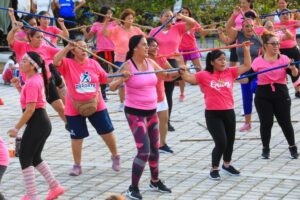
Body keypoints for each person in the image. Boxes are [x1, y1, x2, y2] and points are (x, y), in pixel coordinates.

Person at [110, 35, 177, 200]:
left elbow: (166, 76)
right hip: (135, 113)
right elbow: (111, 86)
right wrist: (122, 80)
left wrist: (179, 71)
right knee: (144, 151)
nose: (148, 48)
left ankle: (155, 181)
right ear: (135, 48)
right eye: (145, 45)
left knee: (155, 150)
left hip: (151, 111)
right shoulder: (127, 65)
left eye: (148, 45)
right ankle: (133, 188)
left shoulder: (150, 63)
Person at [179, 42, 252, 180]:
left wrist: (246, 50)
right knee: (221, 142)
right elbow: (190, 78)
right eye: (220, 59)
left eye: (224, 59)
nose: (223, 61)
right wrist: (183, 70)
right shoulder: (204, 75)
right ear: (212, 62)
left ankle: (227, 164)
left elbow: (247, 66)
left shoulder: (230, 72)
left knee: (230, 141)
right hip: (213, 114)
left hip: (229, 112)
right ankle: (214, 168)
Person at [53, 39, 121, 176]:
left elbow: (106, 79)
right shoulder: (67, 64)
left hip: (97, 104)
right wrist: (67, 47)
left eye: (86, 47)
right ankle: (77, 165)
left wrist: (121, 75)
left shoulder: (94, 63)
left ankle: (115, 156)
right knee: (76, 137)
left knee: (107, 131)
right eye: (80, 47)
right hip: (74, 106)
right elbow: (55, 61)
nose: (84, 49)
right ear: (73, 51)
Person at [8, 51, 64, 200]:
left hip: (38, 123)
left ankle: (32, 196)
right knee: (35, 157)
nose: (21, 63)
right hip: (41, 123)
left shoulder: (33, 81)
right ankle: (55, 187)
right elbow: (30, 101)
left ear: (33, 66)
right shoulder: (34, 79)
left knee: (25, 158)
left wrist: (16, 128)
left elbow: (31, 109)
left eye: (25, 61)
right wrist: (19, 87)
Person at [7, 20, 68, 130]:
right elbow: (10, 40)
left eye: (42, 37)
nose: (41, 39)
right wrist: (14, 29)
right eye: (38, 37)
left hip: (46, 82)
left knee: (60, 107)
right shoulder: (22, 47)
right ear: (30, 38)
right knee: (31, 110)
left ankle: (71, 127)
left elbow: (60, 53)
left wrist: (70, 48)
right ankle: (28, 130)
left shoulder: (46, 48)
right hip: (31, 85)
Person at [251, 31, 299, 159]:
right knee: (266, 123)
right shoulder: (257, 61)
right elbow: (247, 78)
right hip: (263, 94)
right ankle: (265, 148)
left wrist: (293, 68)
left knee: (285, 122)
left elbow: (294, 75)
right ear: (265, 45)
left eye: (278, 43)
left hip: (281, 93)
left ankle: (292, 147)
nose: (276, 46)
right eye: (273, 43)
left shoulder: (284, 59)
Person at [149, 9, 195, 132]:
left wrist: (182, 17)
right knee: (155, 91)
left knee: (168, 93)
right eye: (166, 16)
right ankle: (153, 119)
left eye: (171, 16)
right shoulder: (154, 31)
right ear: (161, 18)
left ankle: (166, 121)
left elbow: (193, 23)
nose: (168, 18)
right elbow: (147, 46)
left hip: (171, 61)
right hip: (156, 62)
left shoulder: (177, 28)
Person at [102, 8, 146, 112]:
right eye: (128, 18)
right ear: (123, 19)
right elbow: (104, 33)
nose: (130, 20)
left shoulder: (137, 30)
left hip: (135, 58)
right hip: (120, 57)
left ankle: (136, 99)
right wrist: (106, 22)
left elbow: (146, 40)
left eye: (132, 18)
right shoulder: (117, 29)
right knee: (122, 80)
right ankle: (122, 102)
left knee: (136, 78)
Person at [225, 13, 262, 132]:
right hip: (244, 70)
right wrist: (234, 15)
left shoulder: (258, 37)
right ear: (242, 27)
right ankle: (247, 123)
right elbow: (228, 27)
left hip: (257, 70)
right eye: (247, 26)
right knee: (246, 97)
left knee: (254, 88)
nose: (250, 28)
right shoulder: (238, 35)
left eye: (251, 26)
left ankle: (266, 113)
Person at [147, 37, 179, 153]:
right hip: (147, 97)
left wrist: (180, 68)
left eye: (157, 46)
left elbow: (171, 72)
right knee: (150, 123)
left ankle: (162, 144)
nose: (156, 48)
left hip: (161, 95)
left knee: (164, 121)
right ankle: (149, 145)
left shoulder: (160, 58)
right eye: (153, 46)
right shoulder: (142, 61)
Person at [82, 6, 118, 101]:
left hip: (115, 51)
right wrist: (84, 31)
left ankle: (119, 89)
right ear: (102, 14)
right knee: (103, 73)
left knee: (118, 70)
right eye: (107, 13)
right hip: (101, 51)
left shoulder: (114, 23)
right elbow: (88, 38)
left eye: (110, 13)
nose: (109, 15)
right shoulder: (96, 24)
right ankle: (103, 93)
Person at [177, 7, 213, 102]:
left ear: (189, 14)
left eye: (186, 12)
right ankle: (182, 93)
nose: (184, 14)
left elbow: (203, 33)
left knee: (199, 69)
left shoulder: (193, 22)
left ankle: (205, 89)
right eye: (183, 12)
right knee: (181, 71)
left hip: (192, 48)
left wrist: (211, 29)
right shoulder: (176, 24)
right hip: (181, 50)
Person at [275, 9, 300, 97]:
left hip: (292, 51)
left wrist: (295, 11)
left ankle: (298, 91)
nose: (285, 16)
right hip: (279, 52)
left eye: (287, 14)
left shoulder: (293, 23)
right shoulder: (275, 25)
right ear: (279, 16)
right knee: (281, 72)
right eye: (283, 14)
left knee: (295, 71)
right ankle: (281, 91)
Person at [227, 0, 256, 67]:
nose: (242, 5)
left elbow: (255, 25)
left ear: (249, 3)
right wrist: (234, 15)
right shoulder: (238, 12)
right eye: (241, 3)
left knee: (245, 59)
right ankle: (231, 76)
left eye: (244, 3)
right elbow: (231, 24)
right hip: (236, 35)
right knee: (233, 59)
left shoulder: (252, 13)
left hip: (246, 36)